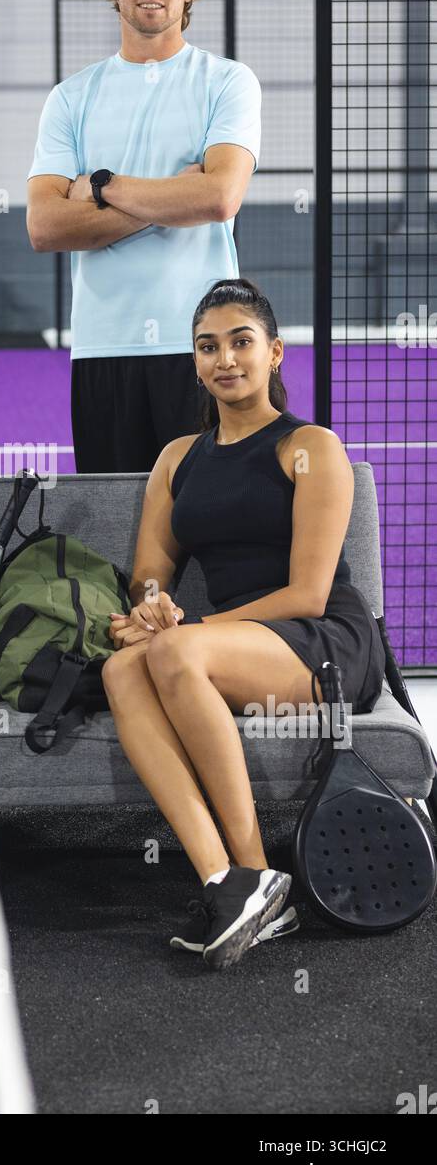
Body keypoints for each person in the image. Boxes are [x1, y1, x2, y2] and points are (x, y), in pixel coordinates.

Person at [101, 278, 386, 970]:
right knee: (121, 665)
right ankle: (223, 881)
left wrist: (187, 629)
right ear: (193, 363)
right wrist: (150, 609)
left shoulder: (310, 446)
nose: (224, 359)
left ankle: (259, 873)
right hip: (223, 642)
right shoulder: (176, 458)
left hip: (321, 644)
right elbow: (150, 572)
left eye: (240, 342)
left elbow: (308, 594)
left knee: (172, 656)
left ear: (274, 353)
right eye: (207, 347)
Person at [26, 0, 261, 473]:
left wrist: (103, 189)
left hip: (204, 344)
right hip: (104, 347)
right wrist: (178, 193)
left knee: (207, 524)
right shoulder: (70, 98)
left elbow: (219, 198)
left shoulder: (228, 81)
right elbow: (45, 227)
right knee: (114, 536)